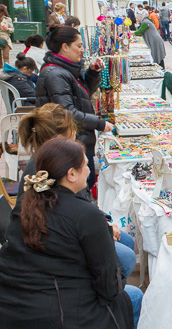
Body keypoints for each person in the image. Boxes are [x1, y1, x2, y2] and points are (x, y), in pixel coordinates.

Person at [0, 137, 142, 329]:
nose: (89, 169)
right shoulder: (85, 215)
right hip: (58, 314)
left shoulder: (28, 205)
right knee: (133, 296)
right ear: (71, 174)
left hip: (16, 307)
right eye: (85, 165)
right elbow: (109, 288)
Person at [15, 103, 139, 285]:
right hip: (55, 249)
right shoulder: (48, 167)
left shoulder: (49, 159)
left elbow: (73, 208)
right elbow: (65, 218)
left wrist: (102, 222)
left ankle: (117, 288)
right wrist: (101, 228)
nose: (75, 134)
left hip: (58, 237)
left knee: (124, 242)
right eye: (73, 130)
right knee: (126, 260)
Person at [36, 25, 114, 191]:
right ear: (65, 47)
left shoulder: (65, 69)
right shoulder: (56, 74)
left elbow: (81, 96)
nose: (82, 49)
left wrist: (92, 73)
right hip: (70, 141)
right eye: (78, 45)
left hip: (75, 139)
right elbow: (67, 112)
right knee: (82, 185)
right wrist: (99, 124)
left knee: (87, 181)